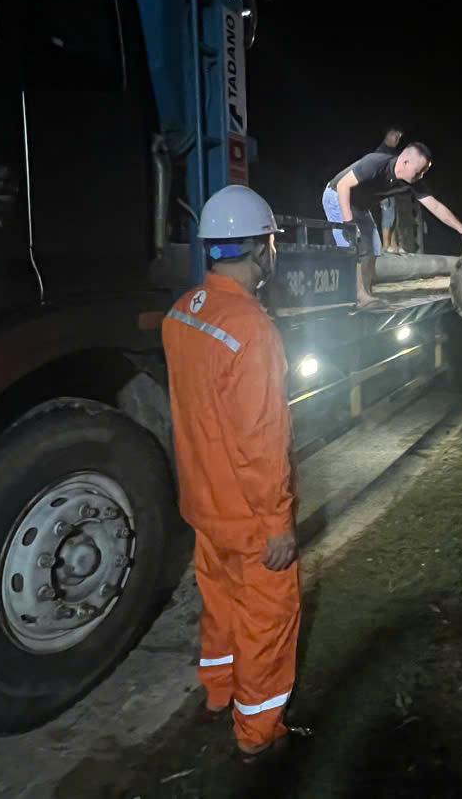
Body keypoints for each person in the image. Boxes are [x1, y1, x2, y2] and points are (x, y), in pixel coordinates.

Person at [162, 184, 301, 765]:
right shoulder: (252, 331)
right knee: (267, 620)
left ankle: (217, 694)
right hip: (248, 520)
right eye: (270, 242)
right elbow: (261, 442)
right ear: (260, 249)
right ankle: (258, 733)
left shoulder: (182, 314)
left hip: (203, 505)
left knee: (217, 607)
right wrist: (278, 524)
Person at [322, 142, 462, 307]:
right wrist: (349, 223)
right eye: (419, 171)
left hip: (359, 205)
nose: (421, 176)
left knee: (374, 246)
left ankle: (366, 291)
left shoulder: (412, 181)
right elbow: (344, 185)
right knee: (356, 244)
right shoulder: (375, 163)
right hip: (337, 195)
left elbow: (436, 206)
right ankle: (359, 296)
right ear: (405, 162)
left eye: (424, 172)